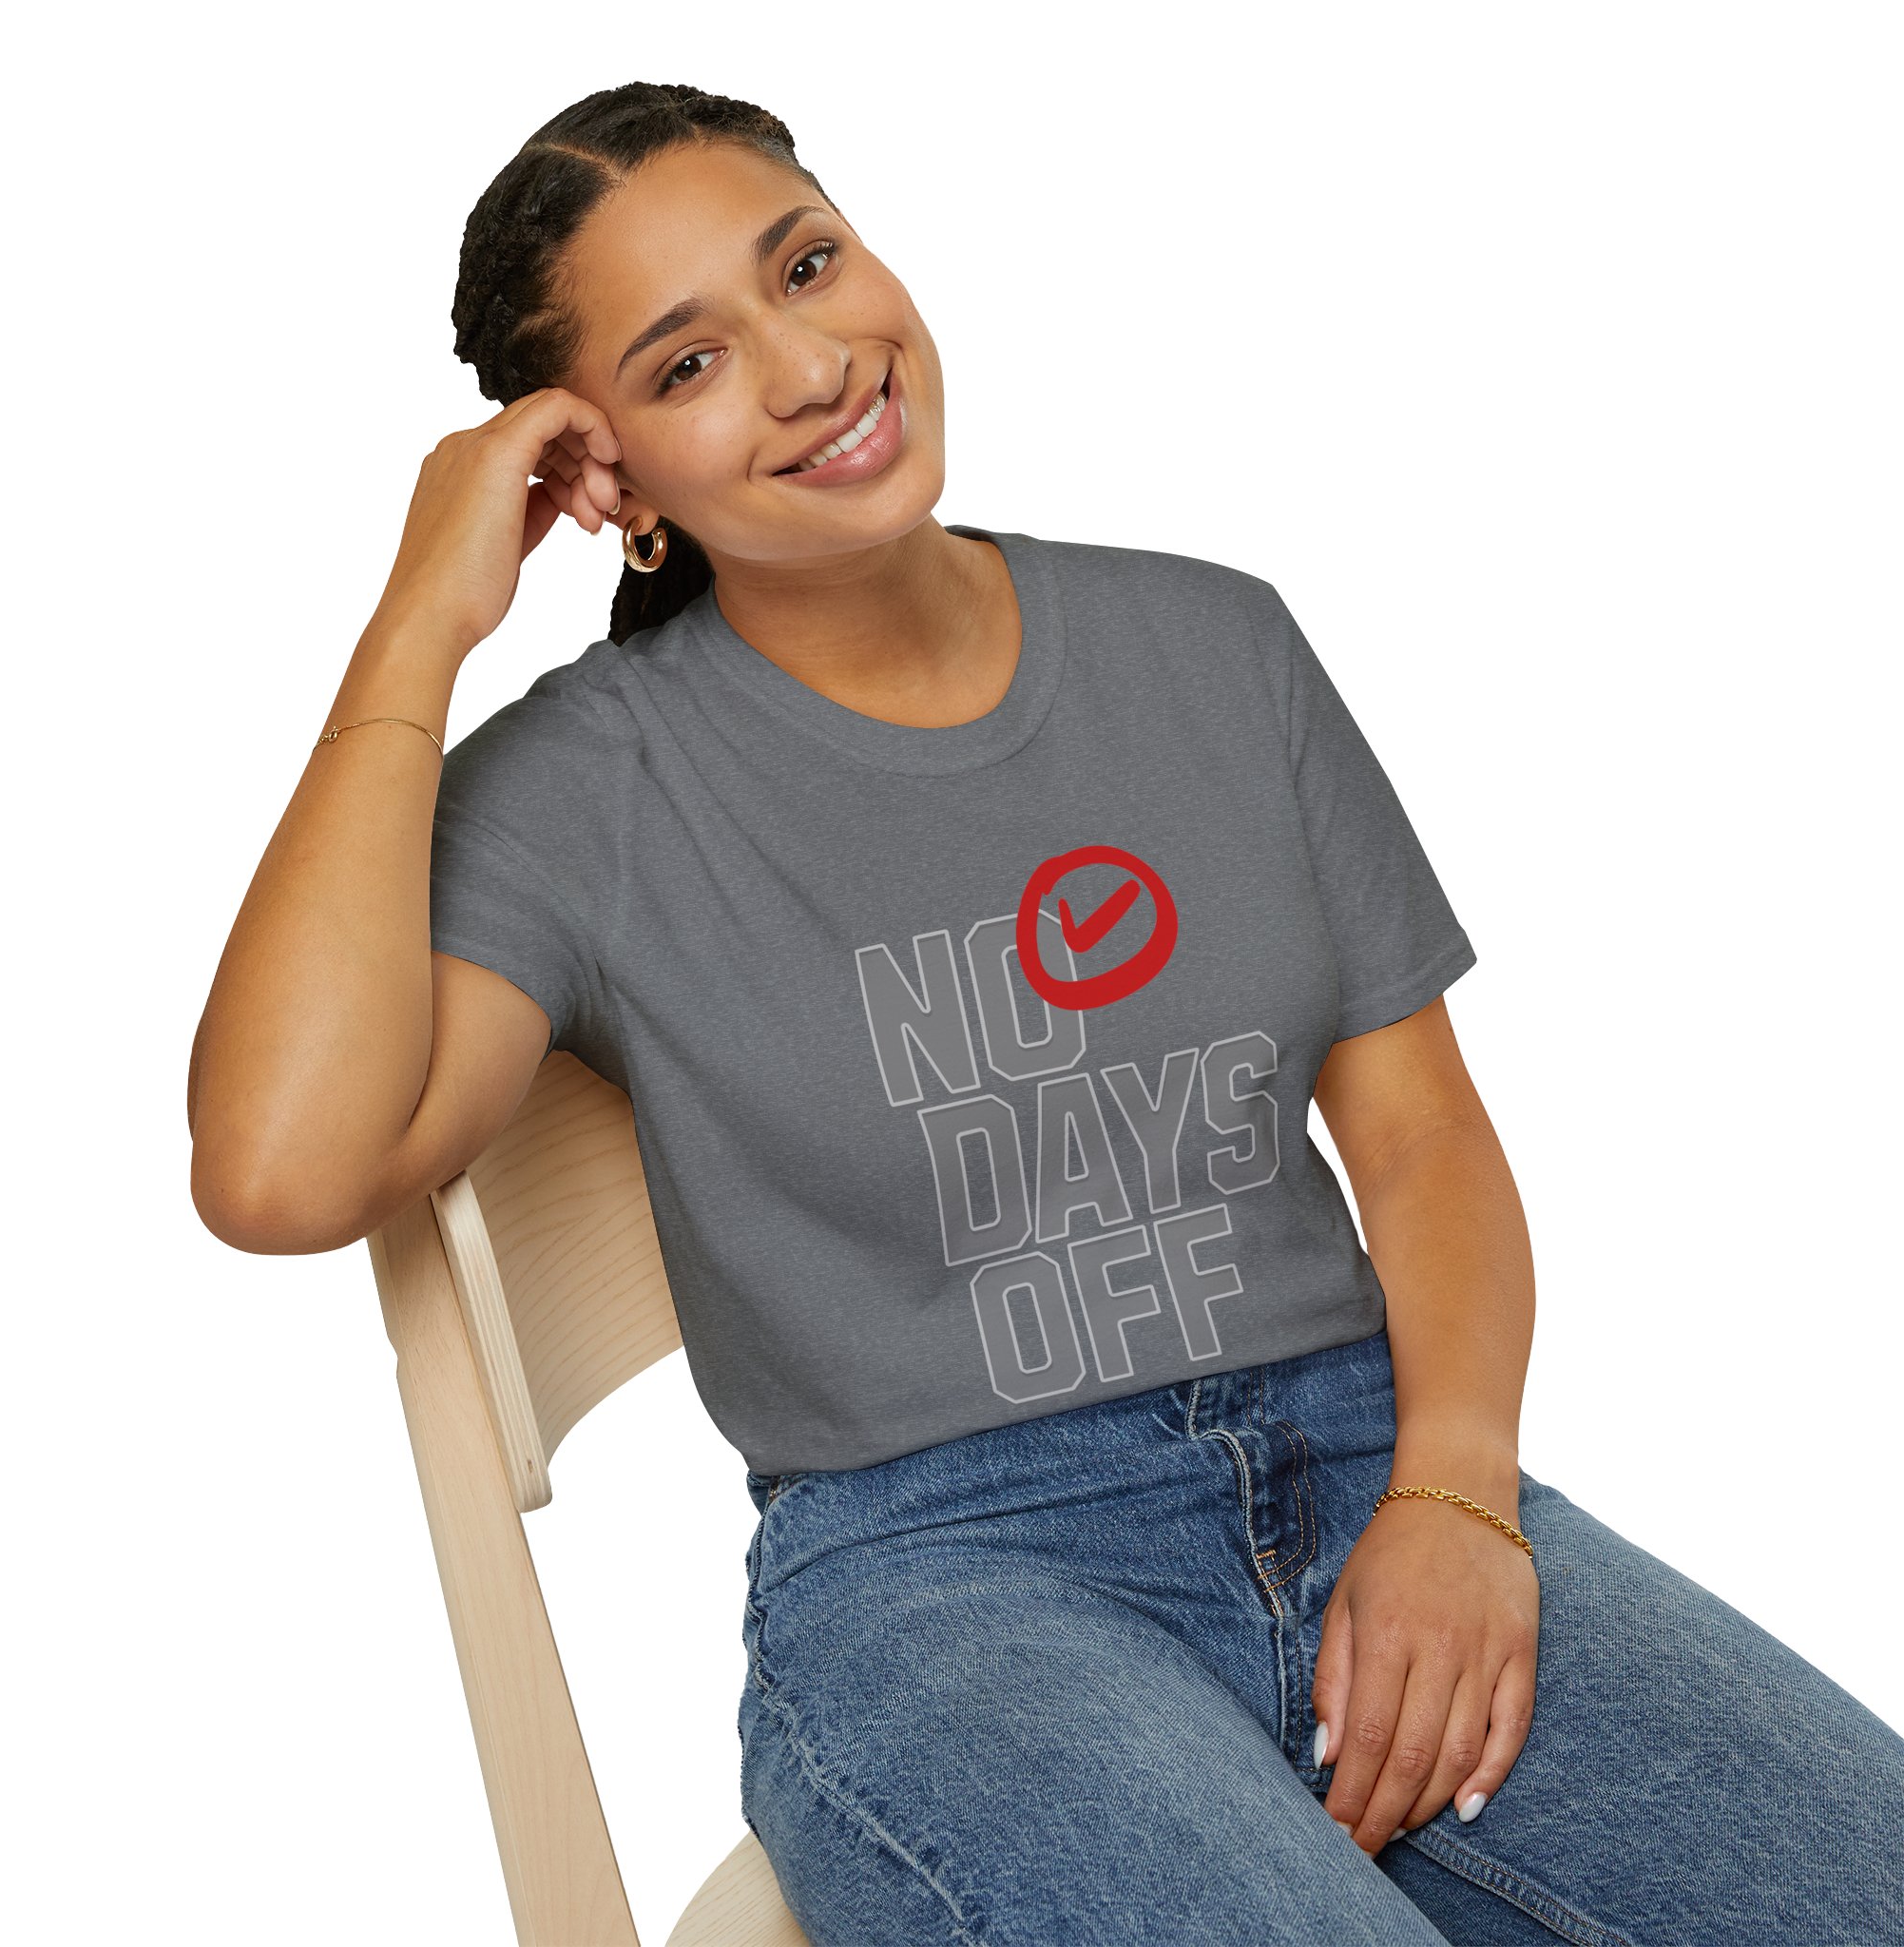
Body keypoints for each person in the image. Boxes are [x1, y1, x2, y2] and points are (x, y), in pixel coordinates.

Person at [187, 82, 1904, 1947]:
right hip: (949, 1581)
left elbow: (1421, 1141)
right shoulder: (591, 788)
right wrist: (419, 623)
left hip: (1373, 1465)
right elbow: (279, 1170)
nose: (810, 367)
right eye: (689, 364)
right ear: (613, 486)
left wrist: (1459, 1497)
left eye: (807, 266)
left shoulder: (1217, 647)